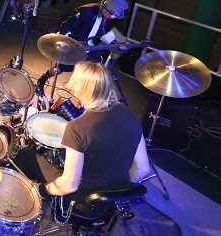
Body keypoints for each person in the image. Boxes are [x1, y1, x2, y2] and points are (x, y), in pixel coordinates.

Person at [13, 61, 150, 216]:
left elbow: (69, 185)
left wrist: (41, 190)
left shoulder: (77, 128)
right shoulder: (130, 116)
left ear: (82, 89)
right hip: (114, 202)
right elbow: (143, 169)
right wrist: (113, 192)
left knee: (26, 155)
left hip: (79, 203)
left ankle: (16, 205)